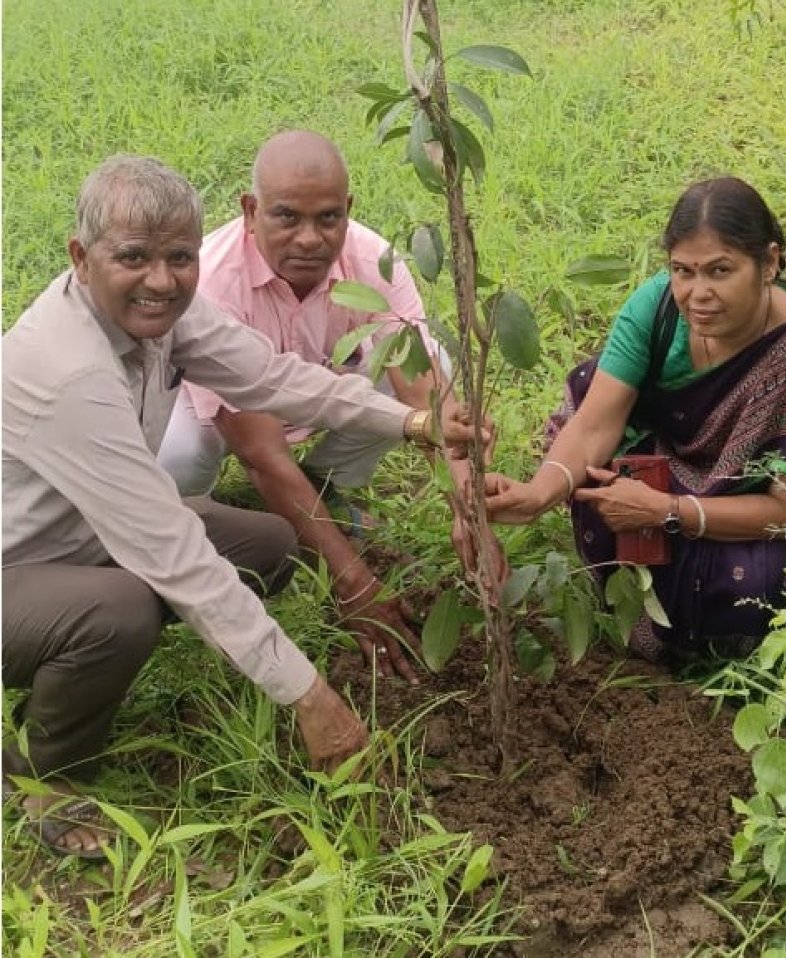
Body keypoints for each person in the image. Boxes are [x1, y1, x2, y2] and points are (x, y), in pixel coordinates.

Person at [2, 154, 485, 858]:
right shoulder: (71, 373)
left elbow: (276, 379)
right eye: (133, 258)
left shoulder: (163, 313)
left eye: (178, 258)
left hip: (82, 532)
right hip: (18, 566)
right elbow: (174, 552)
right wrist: (311, 698)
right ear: (82, 257)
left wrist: (414, 423)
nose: (160, 281)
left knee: (266, 545)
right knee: (120, 612)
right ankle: (47, 772)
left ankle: (91, 656)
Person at [157, 130, 506, 684]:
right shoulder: (213, 281)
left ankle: (327, 483)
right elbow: (262, 454)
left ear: (349, 211)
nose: (309, 239)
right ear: (251, 212)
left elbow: (427, 401)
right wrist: (356, 586)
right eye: (286, 217)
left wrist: (468, 506)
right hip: (228, 416)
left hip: (323, 394)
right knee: (182, 450)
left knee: (428, 359)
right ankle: (196, 527)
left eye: (327, 219)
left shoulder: (372, 260)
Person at [485, 176, 786, 660]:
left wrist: (668, 512)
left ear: (769, 263)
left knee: (764, 585)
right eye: (683, 271)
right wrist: (537, 495)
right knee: (593, 441)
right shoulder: (658, 306)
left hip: (757, 512)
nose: (697, 293)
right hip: (674, 474)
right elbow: (595, 424)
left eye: (720, 271)